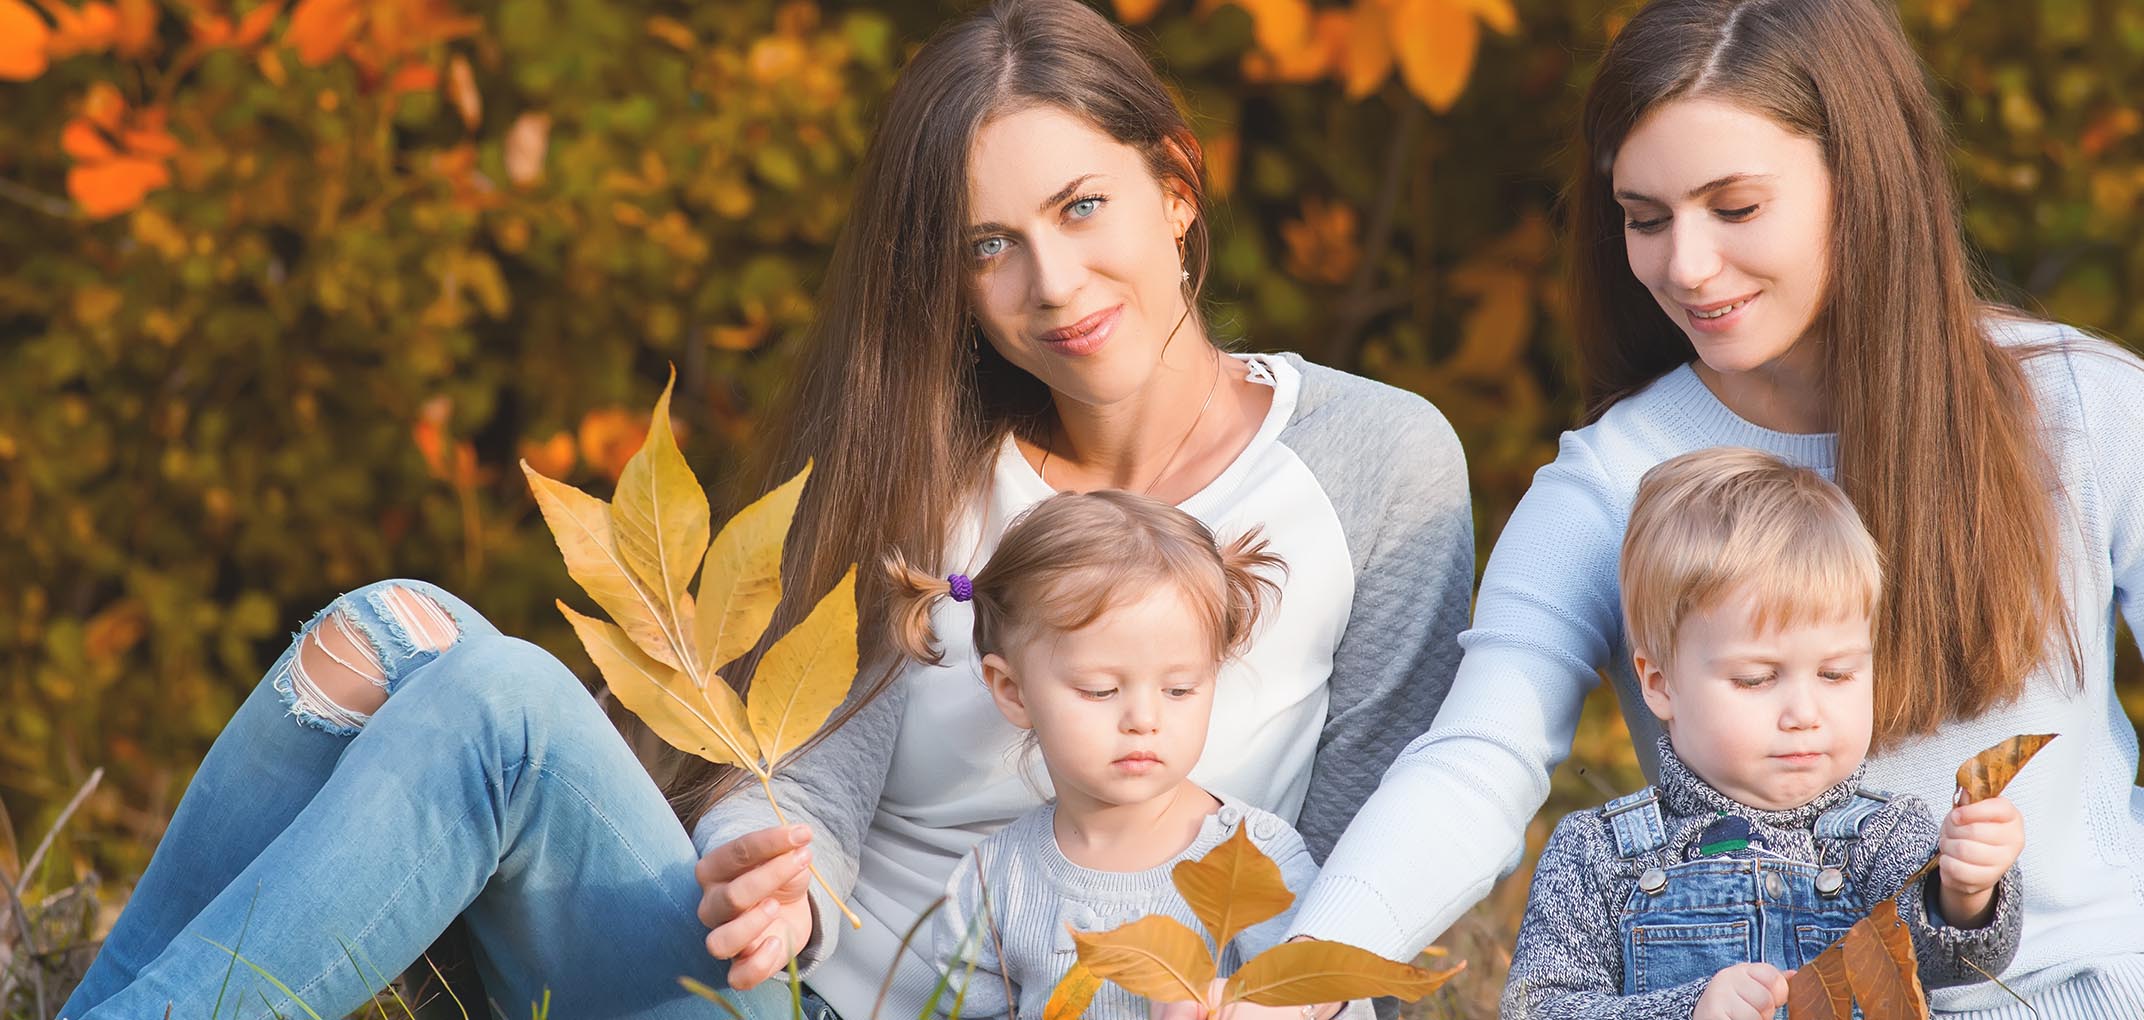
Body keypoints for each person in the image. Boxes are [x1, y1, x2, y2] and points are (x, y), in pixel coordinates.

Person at [61, 0, 1472, 1016]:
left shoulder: (1375, 461)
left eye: (1084, 207)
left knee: (487, 700)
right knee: (396, 630)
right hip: (766, 985)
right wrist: (758, 856)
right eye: (991, 247)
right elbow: (810, 769)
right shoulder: (927, 455)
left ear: (1174, 187)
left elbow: (1380, 839)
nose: (1052, 282)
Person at [1286, 0, 2144, 1017]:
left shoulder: (2083, 409)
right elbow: (1475, 769)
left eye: (1735, 206)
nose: (1686, 264)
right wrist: (1299, 981)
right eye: (1645, 217)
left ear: (1861, 181)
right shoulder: (1613, 481)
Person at [1502, 448, 2022, 1020]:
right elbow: (1540, 1009)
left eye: (1836, 674)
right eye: (1755, 679)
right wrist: (1688, 1010)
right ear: (1660, 683)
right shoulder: (1600, 854)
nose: (1804, 712)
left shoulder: (1882, 837)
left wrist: (1968, 891)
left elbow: (1952, 965)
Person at [891, 491, 1361, 1020]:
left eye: (1179, 689)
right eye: (1099, 690)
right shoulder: (996, 879)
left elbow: (1334, 995)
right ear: (1014, 691)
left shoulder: (1250, 861)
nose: (1144, 718)